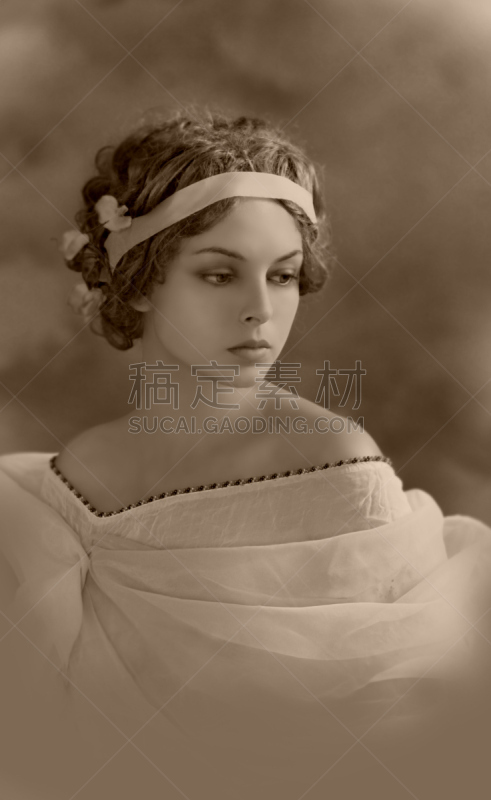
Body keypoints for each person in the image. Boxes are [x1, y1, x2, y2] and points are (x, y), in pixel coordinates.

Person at [1, 107, 490, 800]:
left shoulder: (333, 465)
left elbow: (388, 721)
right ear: (137, 282)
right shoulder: (74, 474)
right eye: (220, 275)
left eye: (283, 276)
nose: (260, 308)